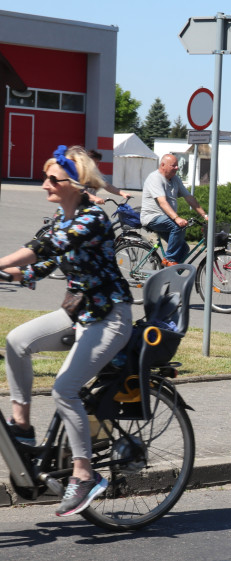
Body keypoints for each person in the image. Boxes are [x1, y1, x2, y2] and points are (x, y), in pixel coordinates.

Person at [0, 145, 134, 517]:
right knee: (17, 340)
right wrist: (7, 273)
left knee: (64, 388)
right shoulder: (61, 218)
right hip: (79, 313)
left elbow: (45, 247)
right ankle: (23, 426)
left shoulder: (91, 219)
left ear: (74, 183)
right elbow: (37, 266)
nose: (44, 185)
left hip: (110, 316)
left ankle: (84, 474)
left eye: (52, 179)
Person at [140, 153, 208, 265]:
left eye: (177, 165)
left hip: (166, 218)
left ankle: (171, 275)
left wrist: (204, 215)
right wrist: (176, 218)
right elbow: (162, 202)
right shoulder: (155, 178)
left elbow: (189, 198)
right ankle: (169, 260)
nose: (177, 168)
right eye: (173, 165)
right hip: (152, 218)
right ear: (163, 165)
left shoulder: (175, 179)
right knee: (177, 226)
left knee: (184, 249)